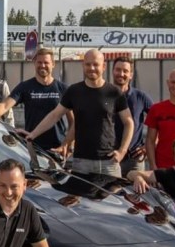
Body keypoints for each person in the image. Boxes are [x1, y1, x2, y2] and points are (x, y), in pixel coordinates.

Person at [18, 49, 134, 178]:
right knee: (80, 197)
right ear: (83, 65)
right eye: (88, 64)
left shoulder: (114, 93)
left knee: (112, 198)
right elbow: (54, 115)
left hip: (109, 162)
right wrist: (32, 135)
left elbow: (129, 122)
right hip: (81, 163)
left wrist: (122, 151)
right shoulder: (74, 91)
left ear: (104, 66)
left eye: (95, 64)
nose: (92, 68)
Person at [0, 47, 71, 151]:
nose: (42, 65)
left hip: (56, 147)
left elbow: (73, 122)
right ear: (34, 63)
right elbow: (5, 105)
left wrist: (67, 145)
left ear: (53, 64)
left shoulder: (63, 89)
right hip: (32, 145)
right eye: (39, 62)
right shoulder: (25, 87)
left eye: (46, 62)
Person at [110, 57, 154, 176]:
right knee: (109, 193)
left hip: (134, 159)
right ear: (112, 71)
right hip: (109, 158)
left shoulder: (141, 97)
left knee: (136, 193)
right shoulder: (104, 95)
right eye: (118, 70)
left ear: (131, 75)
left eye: (125, 71)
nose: (121, 74)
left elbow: (159, 122)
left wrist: (147, 147)